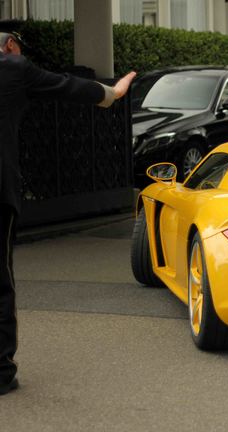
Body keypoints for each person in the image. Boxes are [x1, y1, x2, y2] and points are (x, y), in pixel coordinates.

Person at [0, 31, 136, 395]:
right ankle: (0, 371)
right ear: (11, 45)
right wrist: (112, 94)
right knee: (0, 283)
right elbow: (65, 86)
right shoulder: (12, 68)